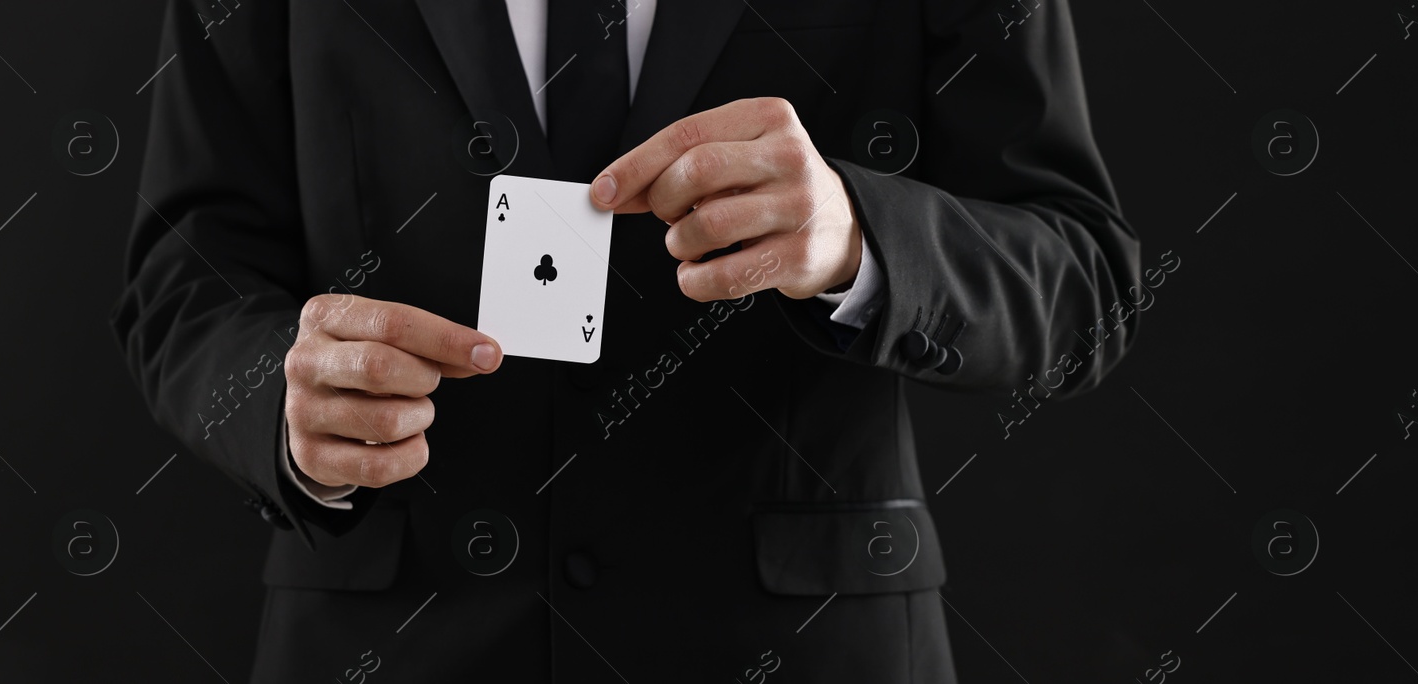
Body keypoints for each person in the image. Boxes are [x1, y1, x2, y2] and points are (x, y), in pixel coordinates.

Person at [112, 0, 1138, 681]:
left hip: (796, 646)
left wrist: (858, 238)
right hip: (394, 639)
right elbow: (184, 278)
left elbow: (1084, 280)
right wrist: (284, 406)